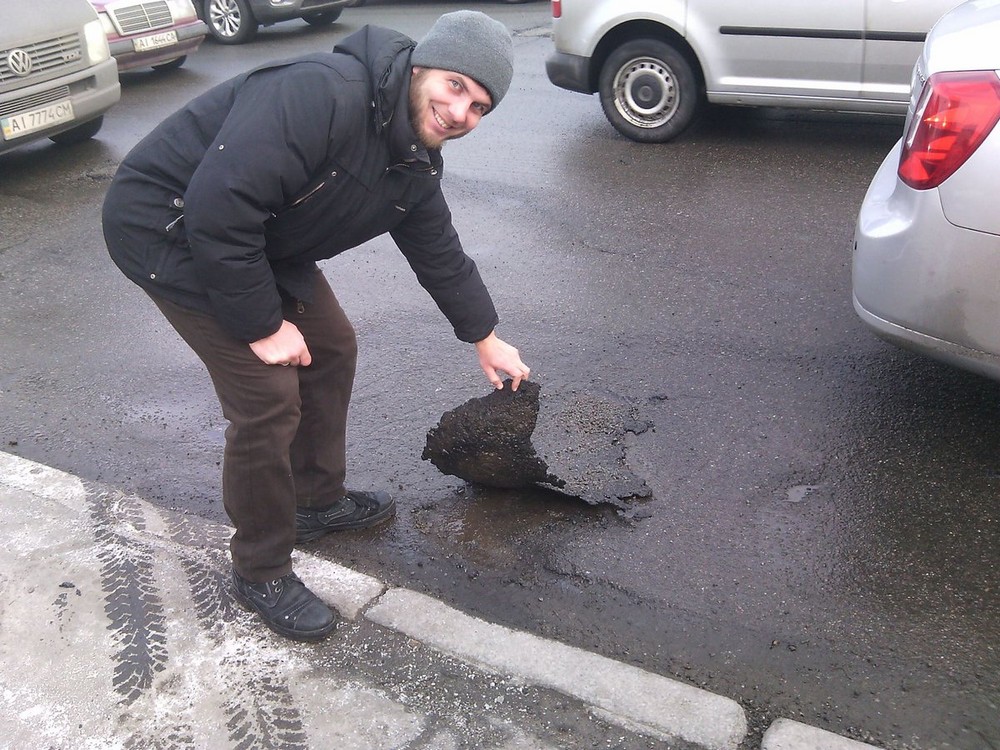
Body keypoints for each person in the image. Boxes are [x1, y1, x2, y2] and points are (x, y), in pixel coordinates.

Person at [102, 10, 530, 642]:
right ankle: (261, 568)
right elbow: (219, 209)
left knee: (330, 346)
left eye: (480, 107)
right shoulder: (319, 93)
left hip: (256, 238)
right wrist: (262, 325)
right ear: (421, 66)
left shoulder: (411, 157)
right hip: (170, 227)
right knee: (268, 394)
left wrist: (485, 336)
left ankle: (313, 499)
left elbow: (438, 250)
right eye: (456, 85)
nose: (460, 111)